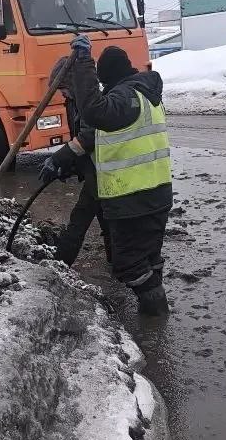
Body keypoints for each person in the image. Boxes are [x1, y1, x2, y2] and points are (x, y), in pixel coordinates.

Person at [70, 37, 172, 316]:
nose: (103, 87)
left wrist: (83, 62)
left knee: (127, 263)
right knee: (149, 257)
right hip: (156, 193)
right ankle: (152, 316)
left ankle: (156, 307)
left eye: (103, 81)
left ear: (109, 76)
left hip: (133, 198)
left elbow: (94, 110)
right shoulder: (146, 95)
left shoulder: (126, 98)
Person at [39, 57, 111, 267]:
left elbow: (89, 137)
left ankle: (61, 263)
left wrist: (58, 158)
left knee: (81, 219)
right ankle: (115, 263)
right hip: (95, 172)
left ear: (72, 83)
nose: (61, 93)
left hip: (104, 172)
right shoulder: (74, 101)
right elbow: (80, 142)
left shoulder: (89, 101)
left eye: (62, 88)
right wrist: (69, 167)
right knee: (101, 219)